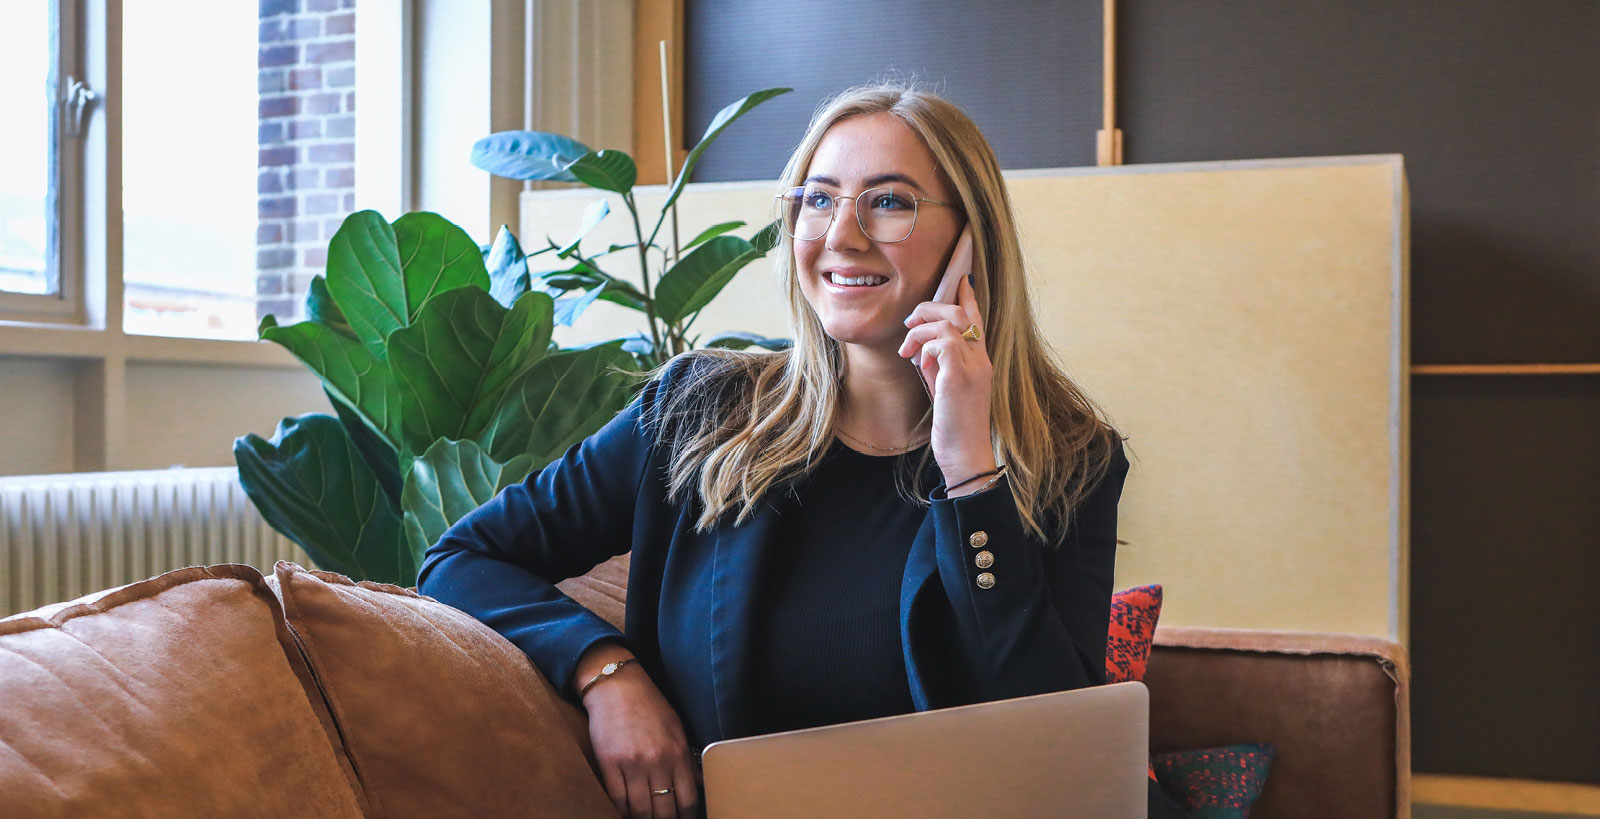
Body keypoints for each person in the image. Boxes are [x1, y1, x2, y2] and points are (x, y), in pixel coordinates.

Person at [417, 83, 1150, 819]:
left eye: (889, 202)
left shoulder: (1068, 460)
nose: (843, 234)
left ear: (971, 240)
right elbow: (460, 559)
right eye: (820, 199)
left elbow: (1060, 751)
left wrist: (970, 473)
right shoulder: (698, 413)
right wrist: (607, 671)